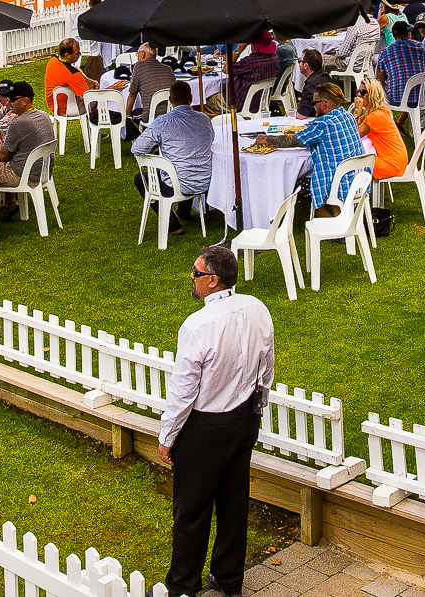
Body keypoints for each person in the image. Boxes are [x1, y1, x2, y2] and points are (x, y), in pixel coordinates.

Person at [159, 244, 274, 597]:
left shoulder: (197, 325)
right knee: (234, 502)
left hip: (206, 425)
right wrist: (259, 403)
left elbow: (184, 389)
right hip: (244, 418)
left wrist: (168, 434)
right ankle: (228, 580)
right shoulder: (258, 309)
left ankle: (182, 587)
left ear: (212, 280)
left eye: (195, 273)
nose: (191, 279)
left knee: (192, 509)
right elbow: (267, 363)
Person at [132, 80, 214, 235]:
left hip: (180, 182)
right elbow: (211, 139)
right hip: (205, 180)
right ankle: (183, 212)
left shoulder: (163, 122)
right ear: (191, 98)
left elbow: (137, 148)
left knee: (141, 178)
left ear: (170, 100)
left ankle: (172, 224)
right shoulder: (204, 118)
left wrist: (157, 145)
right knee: (183, 163)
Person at [294, 82, 370, 215]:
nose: (314, 107)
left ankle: (336, 224)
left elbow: (295, 140)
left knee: (299, 185)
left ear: (323, 104)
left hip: (339, 183)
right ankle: (339, 216)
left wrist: (267, 139)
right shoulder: (349, 117)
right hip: (358, 178)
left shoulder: (322, 124)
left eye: (315, 103)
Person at [0, 81, 52, 219]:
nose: (10, 103)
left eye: (13, 99)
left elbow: (3, 157)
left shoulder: (18, 123)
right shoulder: (43, 115)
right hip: (43, 171)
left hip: (23, 175)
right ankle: (9, 203)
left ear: (25, 101)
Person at [352, 78, 408, 180]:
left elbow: (353, 135)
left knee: (353, 163)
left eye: (363, 92)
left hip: (390, 164)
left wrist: (357, 111)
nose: (359, 95)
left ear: (372, 94)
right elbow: (355, 125)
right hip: (396, 161)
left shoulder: (375, 116)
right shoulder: (379, 111)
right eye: (358, 91)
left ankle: (358, 193)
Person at [374, 17, 425, 98]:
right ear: (408, 33)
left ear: (393, 35)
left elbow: (379, 80)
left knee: (383, 87)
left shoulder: (385, 52)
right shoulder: (420, 47)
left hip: (396, 99)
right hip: (420, 98)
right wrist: (423, 65)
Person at [124, 45, 180, 136]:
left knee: (136, 115)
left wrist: (127, 115)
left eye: (137, 55)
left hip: (151, 116)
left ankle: (147, 142)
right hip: (170, 113)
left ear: (142, 54)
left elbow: (132, 95)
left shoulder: (138, 67)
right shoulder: (168, 69)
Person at [229, 34, 283, 109]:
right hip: (264, 99)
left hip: (244, 101)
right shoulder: (274, 57)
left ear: (254, 45)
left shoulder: (250, 62)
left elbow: (226, 69)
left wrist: (238, 50)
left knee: (212, 98)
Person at [43, 39, 93, 108]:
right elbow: (88, 95)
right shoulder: (72, 74)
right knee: (96, 102)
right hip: (68, 108)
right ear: (67, 55)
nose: (79, 54)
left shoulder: (52, 60)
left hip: (53, 104)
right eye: (77, 53)